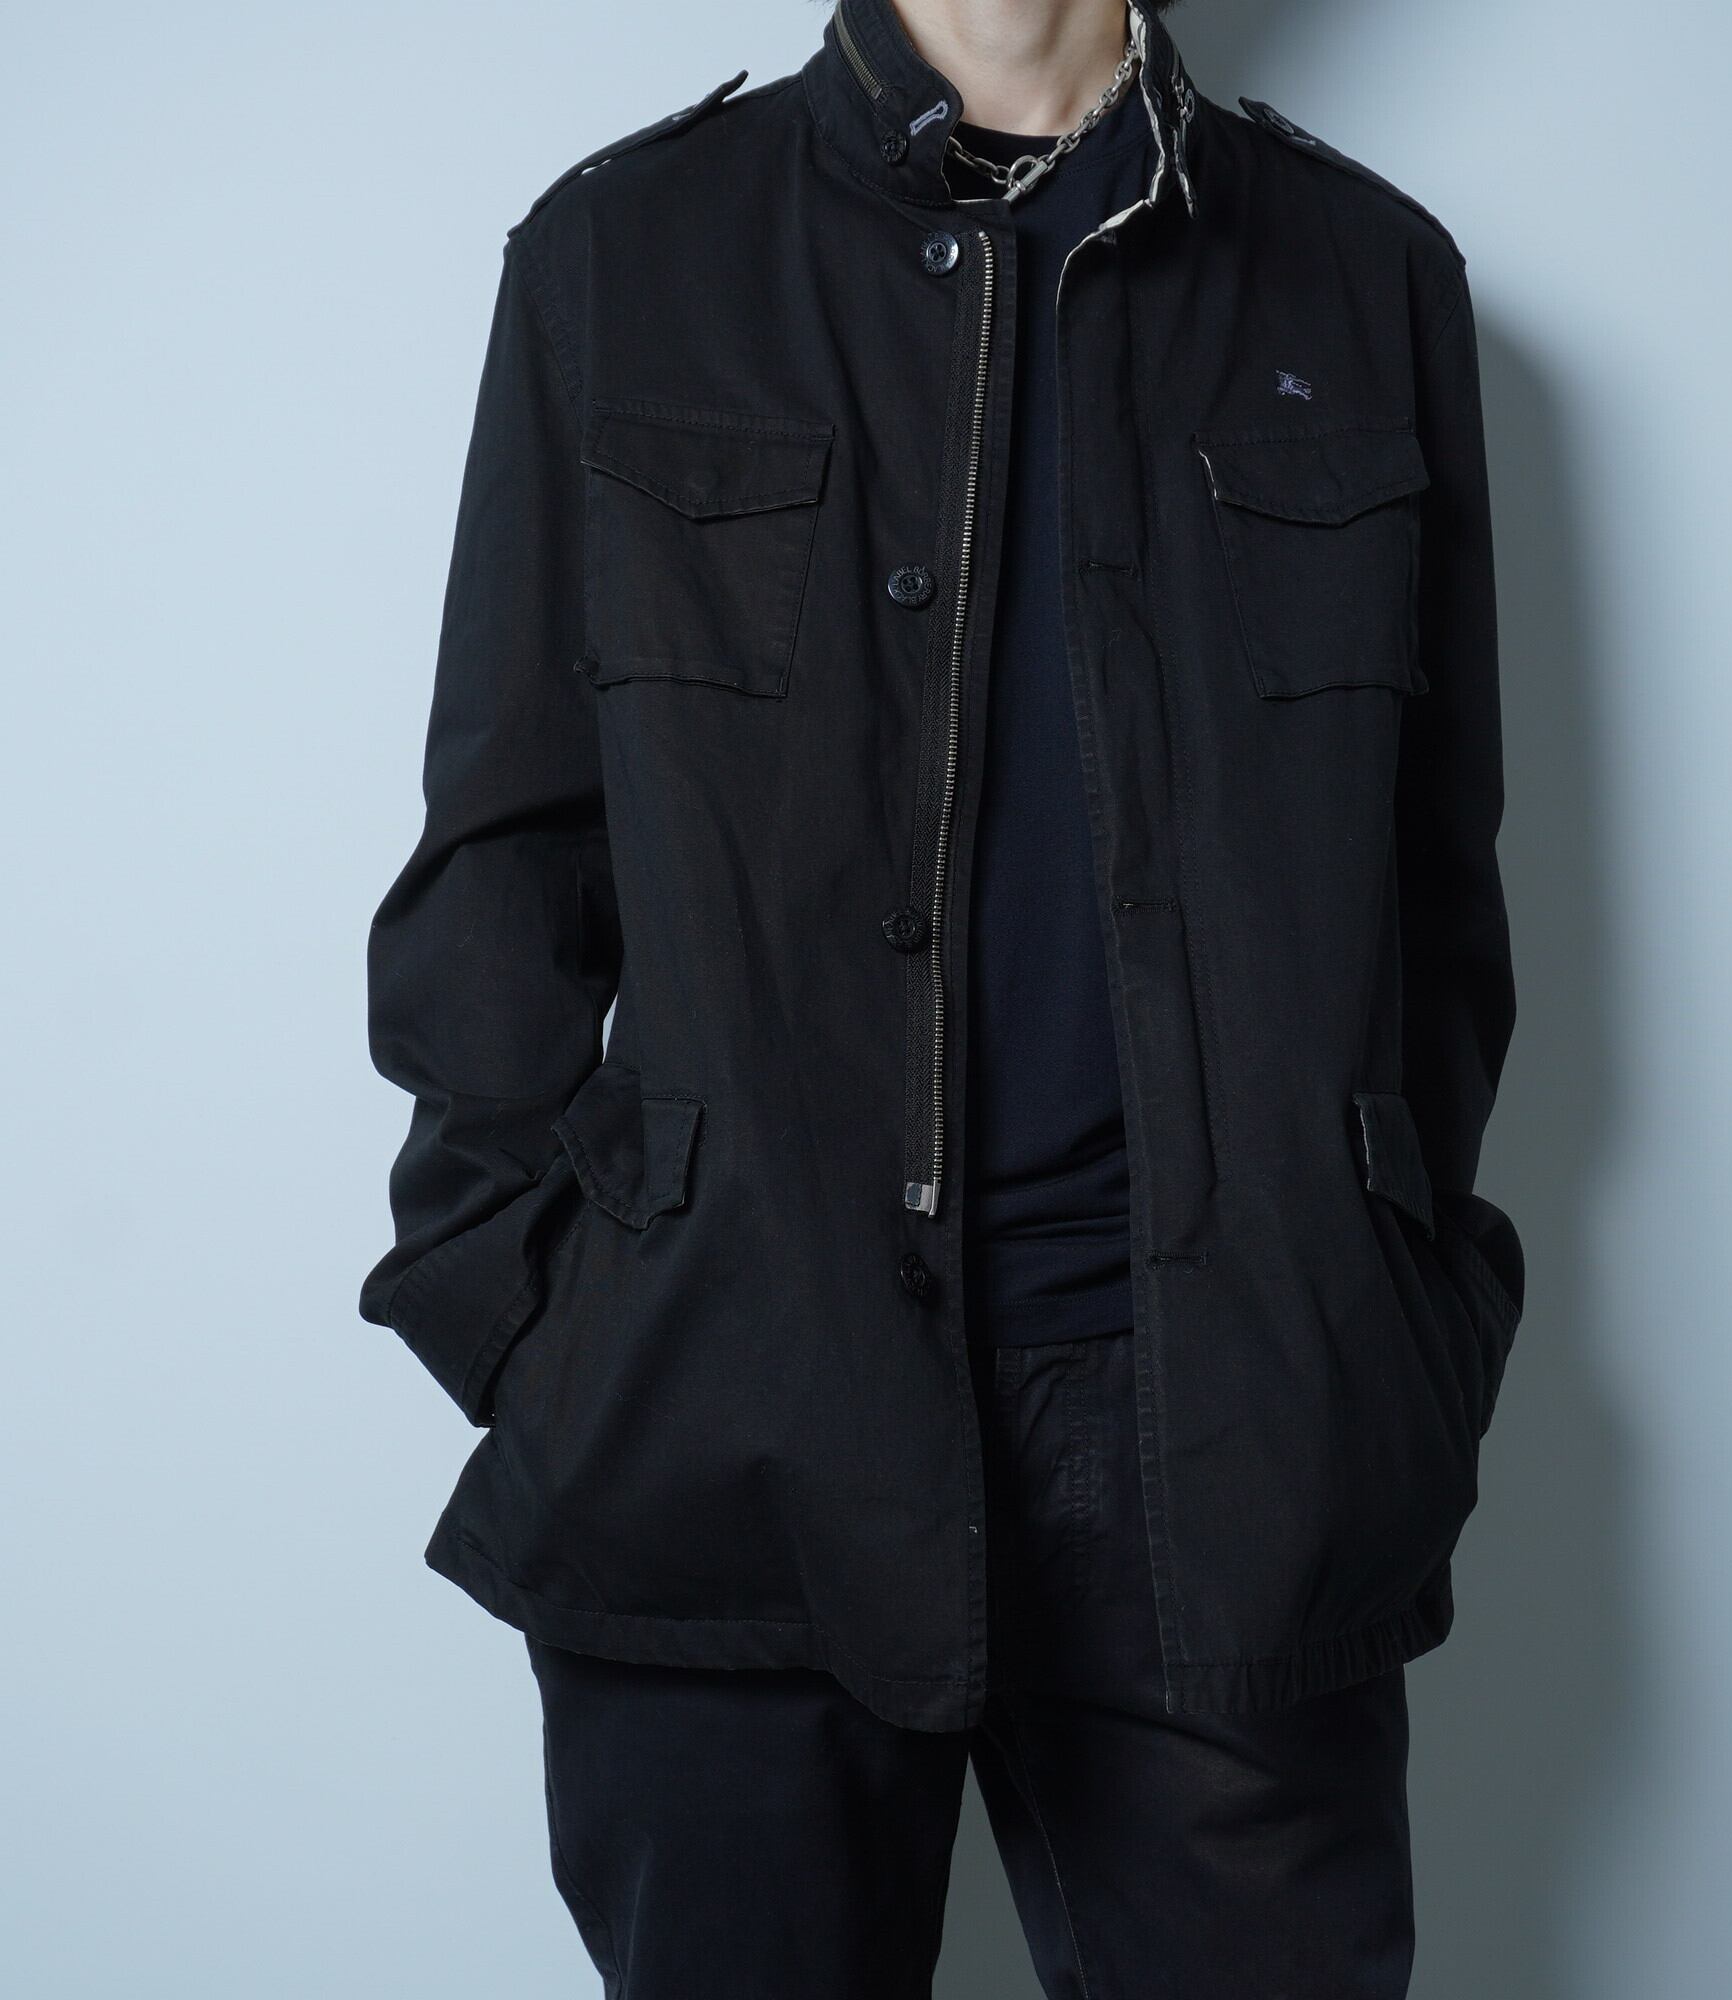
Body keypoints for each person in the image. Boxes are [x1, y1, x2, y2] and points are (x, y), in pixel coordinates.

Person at [359, 0, 1527, 1991]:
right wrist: (526, 1313)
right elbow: (501, 858)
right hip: (726, 1403)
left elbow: (1434, 889)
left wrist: (1389, 1310)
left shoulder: (1363, 271)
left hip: (1231, 1437)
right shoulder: (626, 254)